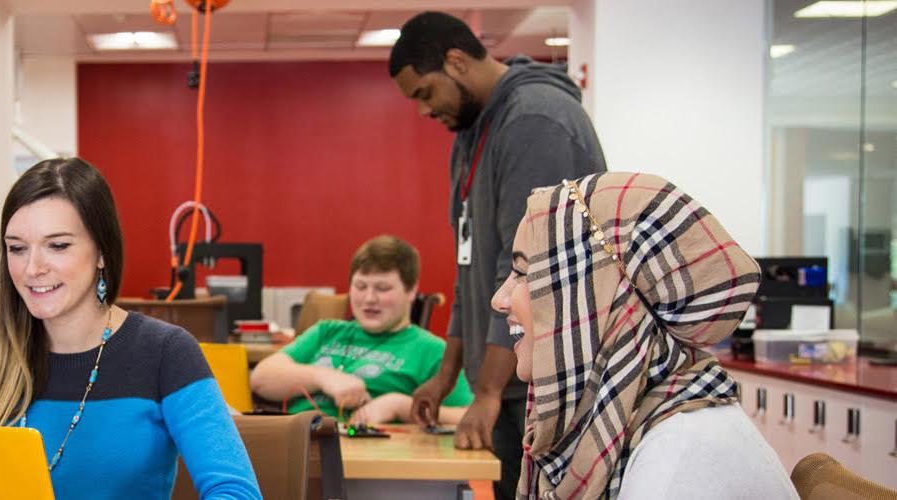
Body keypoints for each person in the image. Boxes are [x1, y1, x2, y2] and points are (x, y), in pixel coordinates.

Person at [388, 11, 608, 499]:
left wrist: (486, 391)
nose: (424, 111)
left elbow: (534, 271)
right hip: (512, 383)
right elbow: (474, 268)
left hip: (550, 388)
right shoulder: (472, 134)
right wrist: (445, 376)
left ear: (457, 61)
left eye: (425, 93)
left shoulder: (535, 120)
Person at [0, 158, 261, 499]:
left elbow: (235, 492)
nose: (32, 268)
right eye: (17, 248)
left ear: (101, 251)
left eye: (58, 245)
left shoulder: (165, 352)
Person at [493, 172, 794, 499]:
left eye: (523, 274)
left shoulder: (679, 458)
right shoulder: (631, 423)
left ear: (589, 298)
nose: (499, 299)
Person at [249, 235, 472, 425]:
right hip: (297, 447)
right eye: (360, 286)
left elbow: (466, 416)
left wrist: (400, 406)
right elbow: (261, 378)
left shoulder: (432, 350)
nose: (369, 298)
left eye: (383, 288)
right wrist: (325, 378)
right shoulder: (326, 331)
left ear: (411, 290)